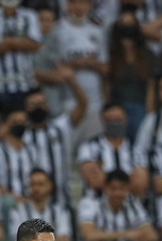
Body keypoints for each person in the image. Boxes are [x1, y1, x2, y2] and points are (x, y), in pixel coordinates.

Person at [22, 79, 87, 208]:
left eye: (41, 103)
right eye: (33, 105)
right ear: (26, 109)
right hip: (32, 203)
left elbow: (82, 105)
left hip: (62, 201)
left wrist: (71, 79)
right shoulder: (22, 136)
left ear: (47, 106)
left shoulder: (61, 127)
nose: (38, 108)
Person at [55, 0, 108, 143]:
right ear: (66, 5)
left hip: (95, 104)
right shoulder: (58, 30)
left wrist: (88, 63)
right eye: (74, 2)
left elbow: (105, 68)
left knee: (92, 150)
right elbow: (55, 66)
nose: (79, 7)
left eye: (83, 3)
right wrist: (77, 62)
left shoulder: (97, 31)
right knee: (67, 149)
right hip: (68, 103)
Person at [0, 0, 42, 111]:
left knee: (23, 121)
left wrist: (5, 40)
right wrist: (23, 41)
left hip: (26, 82)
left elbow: (35, 45)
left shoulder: (30, 15)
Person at [77, 103, 145, 196]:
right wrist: (128, 179)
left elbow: (139, 185)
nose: (115, 123)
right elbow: (94, 181)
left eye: (118, 119)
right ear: (103, 121)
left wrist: (105, 177)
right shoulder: (89, 147)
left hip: (129, 204)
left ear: (125, 119)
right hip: (96, 204)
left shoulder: (136, 149)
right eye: (110, 120)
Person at [107, 5, 154, 141]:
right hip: (119, 105)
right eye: (124, 24)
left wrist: (149, 110)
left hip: (140, 105)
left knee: (140, 139)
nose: (127, 29)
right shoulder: (113, 55)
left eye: (130, 25)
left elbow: (150, 84)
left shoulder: (146, 55)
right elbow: (106, 83)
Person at [9, 168, 73, 241]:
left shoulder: (60, 211)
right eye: (33, 184)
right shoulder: (18, 211)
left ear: (50, 186)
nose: (36, 188)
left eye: (40, 184)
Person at [0, 108, 34, 203]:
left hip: (30, 202)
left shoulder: (32, 151)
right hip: (6, 203)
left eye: (22, 122)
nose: (19, 125)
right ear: (5, 124)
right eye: (15, 122)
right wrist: (16, 199)